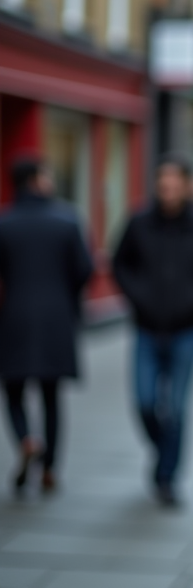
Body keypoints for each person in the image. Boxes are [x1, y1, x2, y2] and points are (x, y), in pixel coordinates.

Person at [113, 153, 193, 506]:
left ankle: (166, 476)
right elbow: (120, 264)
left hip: (186, 330)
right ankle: (163, 449)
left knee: (176, 408)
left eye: (175, 184)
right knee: (145, 402)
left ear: (186, 186)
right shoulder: (139, 222)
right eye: (163, 184)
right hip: (146, 327)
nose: (168, 190)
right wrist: (138, 296)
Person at [0, 156, 93, 493]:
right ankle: (50, 467)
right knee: (52, 396)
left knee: (13, 392)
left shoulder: (5, 222)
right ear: (37, 180)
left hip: (13, 317)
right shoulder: (66, 221)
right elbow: (84, 269)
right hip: (56, 317)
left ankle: (26, 439)